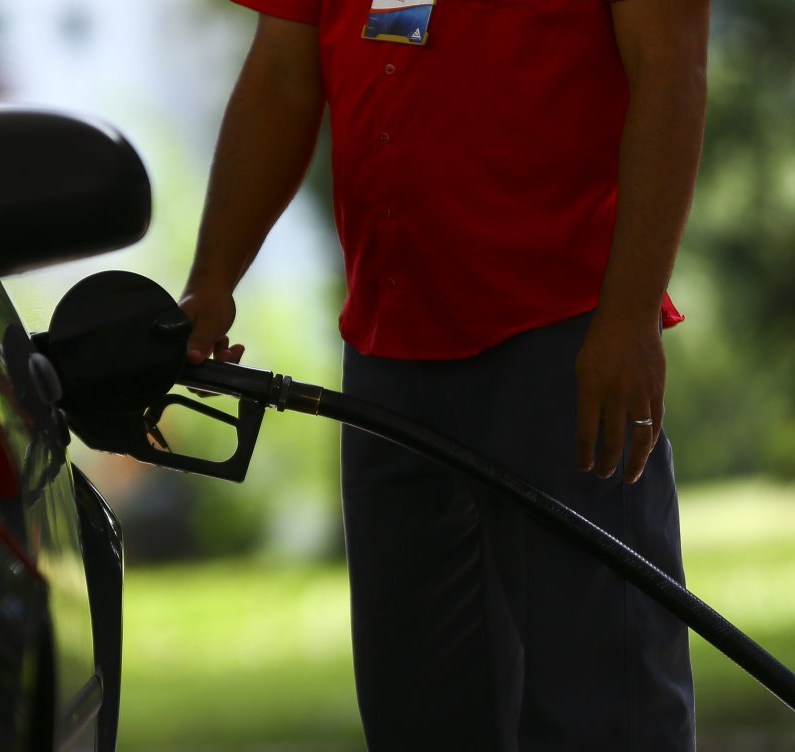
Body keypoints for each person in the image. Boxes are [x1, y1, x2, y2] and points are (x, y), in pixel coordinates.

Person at [179, 0, 708, 749]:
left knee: (607, 710)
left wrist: (627, 321)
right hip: (388, 353)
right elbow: (281, 74)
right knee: (417, 713)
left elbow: (672, 71)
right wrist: (211, 282)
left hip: (563, 342)